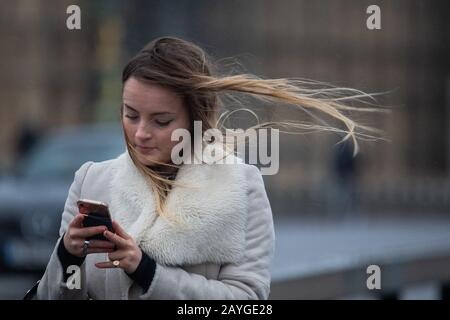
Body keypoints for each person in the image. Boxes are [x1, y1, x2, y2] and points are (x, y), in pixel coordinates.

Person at [30, 36, 382, 300]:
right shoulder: (92, 179)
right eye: (130, 114)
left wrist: (147, 271)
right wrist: (68, 255)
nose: (140, 133)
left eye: (161, 120)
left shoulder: (241, 186)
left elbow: (246, 303)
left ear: (195, 118)